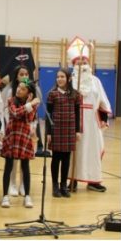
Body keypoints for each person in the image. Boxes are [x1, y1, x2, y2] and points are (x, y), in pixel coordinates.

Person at [66, 38, 112, 193]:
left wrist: (104, 120)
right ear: (73, 65)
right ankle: (72, 180)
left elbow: (103, 102)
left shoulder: (95, 81)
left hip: (92, 124)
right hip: (74, 122)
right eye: (78, 62)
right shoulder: (70, 81)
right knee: (74, 152)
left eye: (84, 61)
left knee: (93, 150)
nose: (82, 65)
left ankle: (93, 181)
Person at [0, 81, 38, 209]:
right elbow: (15, 114)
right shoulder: (11, 100)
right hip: (12, 135)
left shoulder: (32, 105)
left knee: (25, 167)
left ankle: (27, 196)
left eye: (23, 89)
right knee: (8, 165)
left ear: (28, 93)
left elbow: (29, 119)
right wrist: (29, 104)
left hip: (24, 136)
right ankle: (5, 196)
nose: (19, 90)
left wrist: (29, 105)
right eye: (19, 87)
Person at [46, 68, 82, 198]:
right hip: (56, 129)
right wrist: (48, 132)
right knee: (56, 158)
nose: (59, 79)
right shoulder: (52, 94)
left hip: (69, 129)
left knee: (66, 158)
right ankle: (55, 185)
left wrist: (78, 130)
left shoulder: (75, 95)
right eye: (58, 77)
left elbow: (78, 113)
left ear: (68, 79)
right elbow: (48, 114)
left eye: (62, 77)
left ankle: (63, 185)